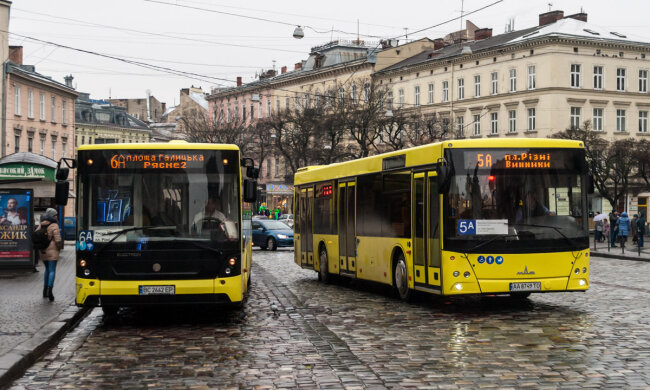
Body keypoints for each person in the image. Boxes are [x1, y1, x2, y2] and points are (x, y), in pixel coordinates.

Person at [36, 208, 63, 302]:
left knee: (47, 270)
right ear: (53, 216)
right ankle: (50, 291)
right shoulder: (54, 225)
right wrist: (59, 247)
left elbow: (36, 235)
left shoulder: (41, 224)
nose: (57, 216)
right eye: (55, 214)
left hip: (43, 250)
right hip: (52, 250)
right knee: (52, 270)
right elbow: (58, 240)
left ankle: (44, 291)